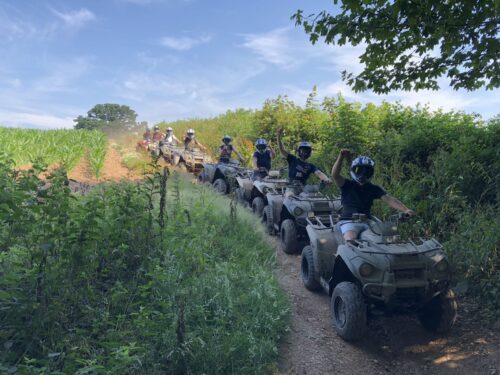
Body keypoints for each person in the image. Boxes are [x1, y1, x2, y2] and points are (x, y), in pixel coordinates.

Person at [331, 149, 416, 241]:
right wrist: (341, 157)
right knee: (350, 238)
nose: (363, 174)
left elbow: (389, 199)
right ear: (353, 170)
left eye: (367, 171)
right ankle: (346, 254)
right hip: (349, 221)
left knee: (387, 237)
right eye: (359, 170)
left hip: (368, 222)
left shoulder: (373, 188)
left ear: (371, 173)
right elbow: (335, 174)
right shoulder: (346, 184)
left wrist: (406, 210)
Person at [276, 128, 331, 195]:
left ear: (309, 152)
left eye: (307, 151)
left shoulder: (310, 166)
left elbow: (319, 173)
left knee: (317, 192)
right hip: (291, 187)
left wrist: (326, 179)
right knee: (289, 195)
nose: (304, 153)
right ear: (299, 151)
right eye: (303, 150)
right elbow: (282, 150)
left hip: (304, 188)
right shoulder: (292, 159)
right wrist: (278, 136)